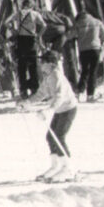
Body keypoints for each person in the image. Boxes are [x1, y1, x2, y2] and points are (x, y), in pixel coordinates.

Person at [34, 49, 80, 181]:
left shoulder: (57, 76)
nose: (40, 64)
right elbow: (41, 93)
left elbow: (59, 97)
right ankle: (56, 166)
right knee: (50, 137)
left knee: (59, 136)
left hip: (68, 109)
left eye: (43, 62)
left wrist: (47, 110)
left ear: (51, 64)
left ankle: (68, 169)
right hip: (60, 110)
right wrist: (26, 102)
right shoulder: (48, 76)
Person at [71, 7, 104, 100]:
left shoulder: (78, 23)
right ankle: (90, 94)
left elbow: (72, 35)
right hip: (95, 49)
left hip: (83, 50)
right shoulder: (97, 22)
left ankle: (79, 92)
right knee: (93, 72)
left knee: (84, 72)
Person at [12, 0, 43, 98]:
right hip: (31, 39)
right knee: (33, 65)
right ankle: (34, 89)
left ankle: (23, 90)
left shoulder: (18, 13)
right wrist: (39, 35)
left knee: (22, 66)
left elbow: (6, 22)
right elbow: (44, 25)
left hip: (21, 40)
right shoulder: (35, 13)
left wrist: (15, 31)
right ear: (31, 5)